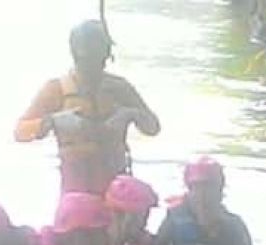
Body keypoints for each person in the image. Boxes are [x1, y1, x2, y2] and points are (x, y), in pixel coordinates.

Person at [15, 20, 160, 195]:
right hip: (76, 185)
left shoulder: (119, 88)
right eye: (89, 59)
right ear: (77, 55)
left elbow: (153, 128)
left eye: (100, 58)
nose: (96, 65)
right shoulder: (56, 89)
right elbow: (20, 132)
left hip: (116, 183)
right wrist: (52, 122)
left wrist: (131, 114)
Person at [147, 157, 254, 245]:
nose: (203, 195)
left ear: (220, 191)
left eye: (209, 188)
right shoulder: (174, 221)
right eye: (197, 189)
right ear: (189, 190)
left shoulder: (234, 225)